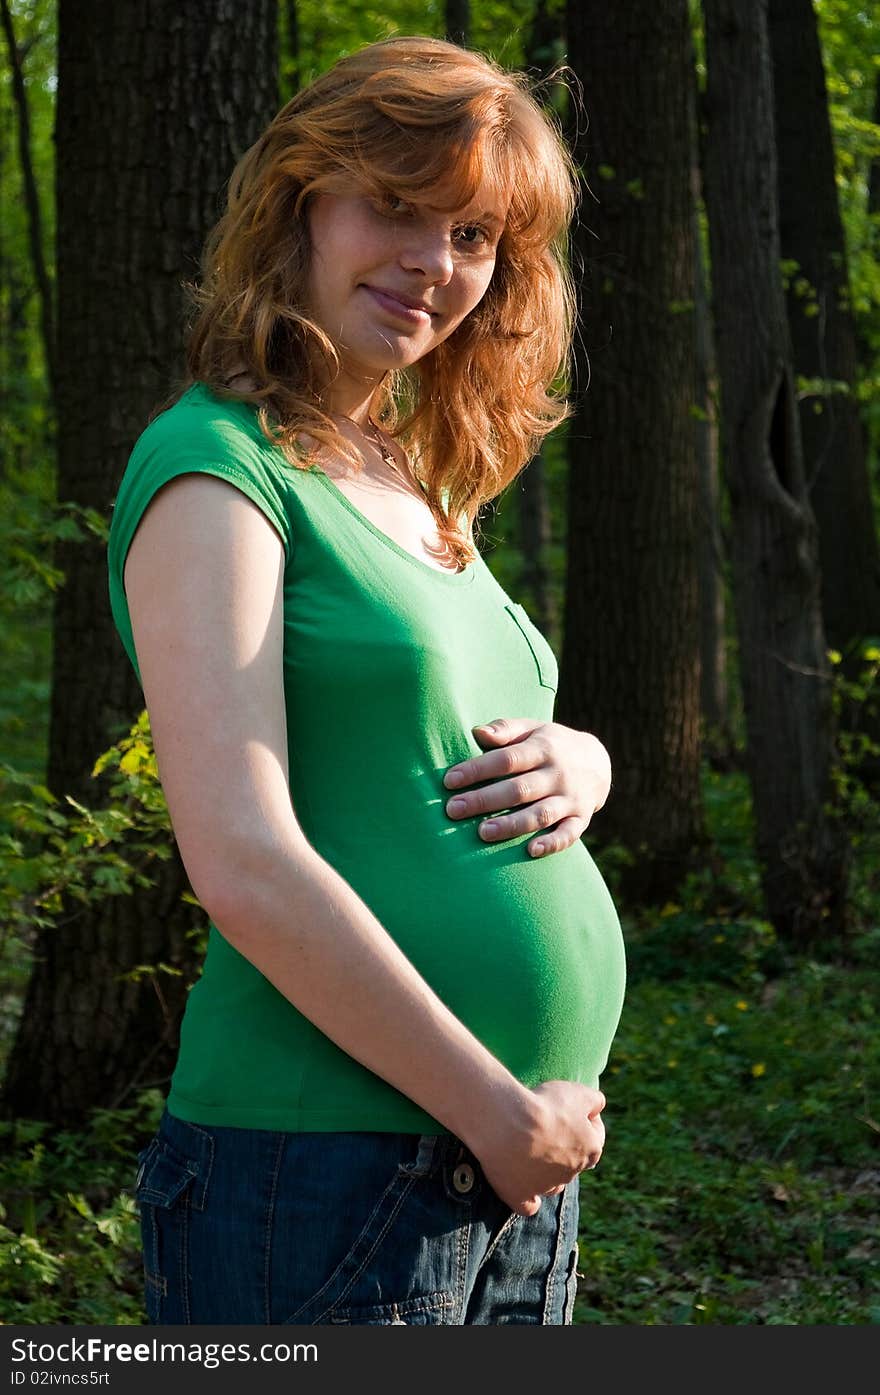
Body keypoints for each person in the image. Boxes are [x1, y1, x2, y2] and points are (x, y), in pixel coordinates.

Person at [107, 34, 626, 1327]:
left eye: (472, 235)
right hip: (320, 1172)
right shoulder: (216, 469)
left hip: (499, 1172)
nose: (432, 264)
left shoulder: (414, 480)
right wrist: (495, 1110)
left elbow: (437, 740)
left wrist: (589, 761)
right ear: (301, 205)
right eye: (395, 208)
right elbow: (242, 859)